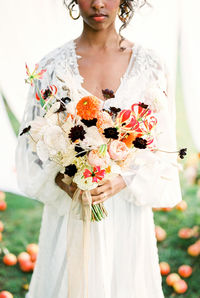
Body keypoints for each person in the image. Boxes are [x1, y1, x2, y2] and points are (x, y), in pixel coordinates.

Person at [15, 0, 183, 297]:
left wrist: (122, 179)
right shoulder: (50, 67)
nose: (98, 3)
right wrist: (63, 180)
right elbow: (31, 145)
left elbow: (162, 145)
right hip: (71, 212)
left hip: (127, 216)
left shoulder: (151, 65)